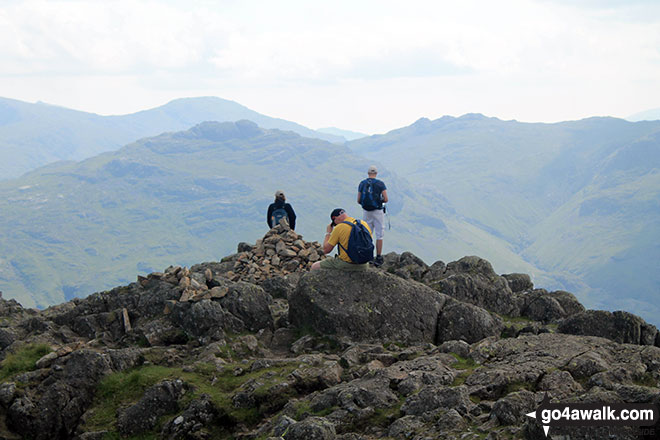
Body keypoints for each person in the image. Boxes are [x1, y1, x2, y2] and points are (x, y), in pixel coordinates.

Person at [357, 165, 388, 266]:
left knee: (367, 233)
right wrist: (379, 201)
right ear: (376, 173)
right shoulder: (380, 184)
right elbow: (386, 199)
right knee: (379, 234)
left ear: (368, 173)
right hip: (378, 211)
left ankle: (368, 256)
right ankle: (378, 257)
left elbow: (358, 200)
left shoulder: (362, 184)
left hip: (366, 211)